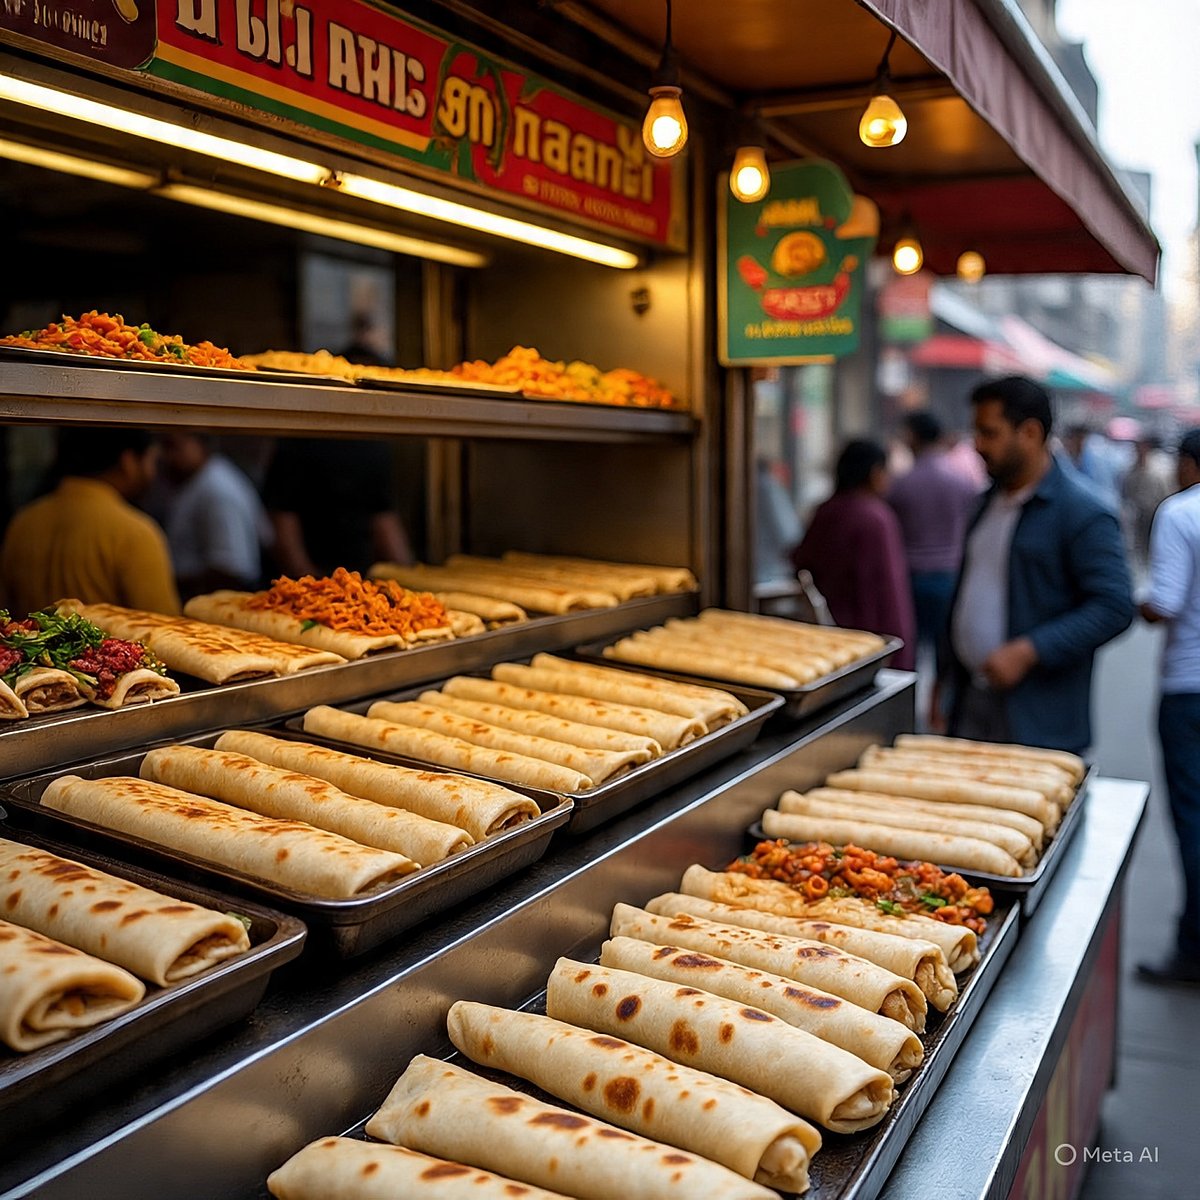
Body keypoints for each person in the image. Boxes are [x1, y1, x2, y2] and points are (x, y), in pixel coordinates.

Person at [943, 376, 1133, 753]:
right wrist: (945, 677)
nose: (977, 445)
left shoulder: (1083, 512)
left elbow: (1114, 606)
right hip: (970, 699)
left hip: (1039, 717)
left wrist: (1030, 650)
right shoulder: (983, 504)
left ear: (1029, 433)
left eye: (989, 433)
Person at [1137, 430, 1200, 984]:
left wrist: (1138, 606)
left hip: (1189, 688)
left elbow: (1165, 601)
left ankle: (1194, 948)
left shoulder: (1182, 513)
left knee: (1193, 819)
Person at [0, 426, 181, 615]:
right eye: (152, 460)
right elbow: (166, 624)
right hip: (103, 637)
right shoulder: (135, 533)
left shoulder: (23, 522)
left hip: (27, 635)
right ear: (128, 462)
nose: (153, 472)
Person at [791, 439, 915, 669]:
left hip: (830, 637)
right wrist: (901, 656)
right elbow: (890, 593)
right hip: (872, 640)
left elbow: (801, 562)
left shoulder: (827, 511)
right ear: (875, 473)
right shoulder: (876, 518)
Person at [887, 411, 981, 673]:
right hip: (949, 575)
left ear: (913, 437)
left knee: (910, 652)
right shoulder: (962, 483)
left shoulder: (902, 484)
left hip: (911, 576)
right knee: (946, 653)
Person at [262, 437, 414, 578]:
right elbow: (283, 518)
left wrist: (408, 575)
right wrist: (308, 581)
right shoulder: (299, 439)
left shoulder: (373, 444)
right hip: (306, 577)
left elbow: (383, 517)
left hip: (360, 578)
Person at [157, 431, 271, 600]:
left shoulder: (217, 488)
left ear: (200, 444)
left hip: (216, 602)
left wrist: (173, 581)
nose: (167, 457)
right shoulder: (195, 479)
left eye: (174, 447)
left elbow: (230, 569)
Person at [1121, 436, 1173, 569]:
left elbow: (1167, 491)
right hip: (1141, 514)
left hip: (1158, 512)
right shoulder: (1132, 468)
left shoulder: (1160, 467)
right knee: (1142, 548)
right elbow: (1127, 490)